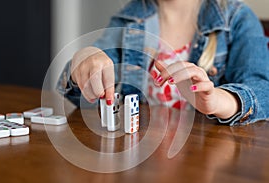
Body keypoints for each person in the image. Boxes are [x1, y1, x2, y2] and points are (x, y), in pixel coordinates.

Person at [57, 0, 269, 126]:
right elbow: (87, 96)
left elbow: (263, 91)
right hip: (142, 156)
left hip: (206, 158)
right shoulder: (129, 20)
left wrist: (220, 101)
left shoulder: (238, 19)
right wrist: (82, 63)